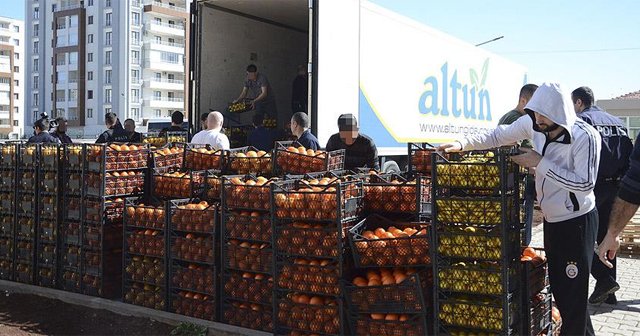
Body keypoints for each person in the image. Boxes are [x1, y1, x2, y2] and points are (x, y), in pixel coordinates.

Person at [438, 83, 601, 336]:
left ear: (561, 113)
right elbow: (497, 135)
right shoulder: (533, 124)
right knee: (564, 293)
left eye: (543, 115)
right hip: (552, 220)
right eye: (535, 113)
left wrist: (539, 163)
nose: (538, 121)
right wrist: (462, 144)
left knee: (573, 296)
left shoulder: (586, 137)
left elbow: (584, 183)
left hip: (577, 221)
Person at [572, 86, 634, 305]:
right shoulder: (617, 122)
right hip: (617, 188)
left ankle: (604, 280)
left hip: (593, 188)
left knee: (586, 237)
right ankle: (610, 292)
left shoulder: (583, 122)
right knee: (608, 236)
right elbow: (630, 153)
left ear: (579, 102)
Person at [598, 132, 640, 273]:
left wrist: (613, 234)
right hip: (613, 188)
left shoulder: (581, 122)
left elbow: (634, 186)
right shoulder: (617, 124)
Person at [498, 84, 538, 148]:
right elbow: (526, 149)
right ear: (523, 101)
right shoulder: (516, 119)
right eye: (534, 103)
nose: (536, 108)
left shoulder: (510, 116)